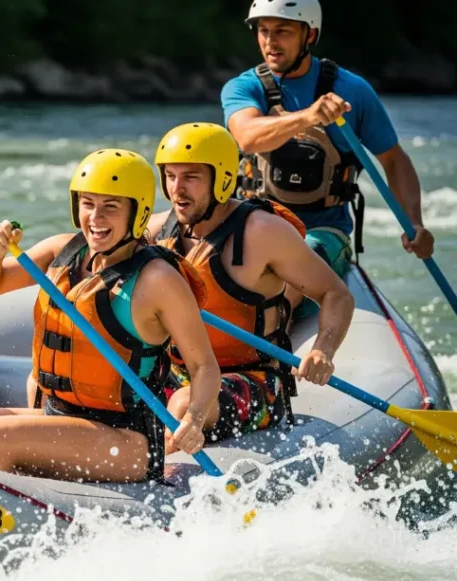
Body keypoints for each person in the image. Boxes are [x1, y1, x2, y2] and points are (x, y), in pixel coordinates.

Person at [0, 150, 220, 483]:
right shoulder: (62, 250)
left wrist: (195, 416)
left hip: (127, 439)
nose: (95, 217)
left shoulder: (157, 279)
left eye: (111, 207)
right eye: (88, 204)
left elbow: (204, 367)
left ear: (139, 211)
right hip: (59, 415)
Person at [221, 0, 435, 317]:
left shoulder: (353, 91)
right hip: (254, 224)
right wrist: (307, 116)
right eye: (263, 31)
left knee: (291, 271)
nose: (270, 41)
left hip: (321, 231)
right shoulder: (245, 87)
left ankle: (262, 347)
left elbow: (393, 160)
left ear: (309, 35)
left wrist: (414, 221)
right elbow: (247, 136)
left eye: (282, 31)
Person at [149, 122, 355, 445]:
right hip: (179, 373)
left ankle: (157, 473)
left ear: (223, 179)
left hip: (255, 382)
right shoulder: (161, 231)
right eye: (170, 176)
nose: (177, 189)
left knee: (183, 404)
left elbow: (335, 294)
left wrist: (323, 350)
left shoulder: (262, 232)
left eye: (190, 177)